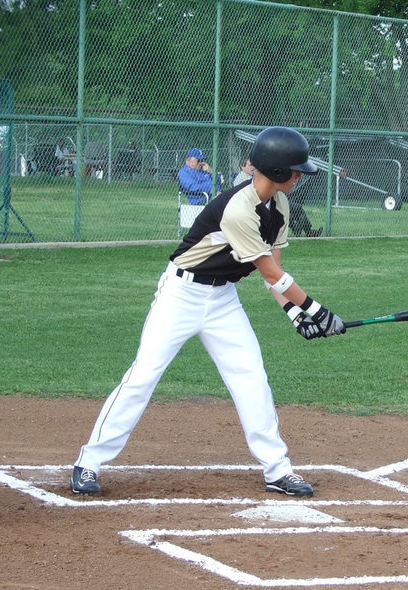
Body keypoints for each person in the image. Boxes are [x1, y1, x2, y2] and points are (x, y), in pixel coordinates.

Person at [71, 126, 344, 499]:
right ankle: (89, 462)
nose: (300, 176)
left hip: (222, 300)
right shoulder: (237, 209)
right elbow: (270, 272)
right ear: (277, 171)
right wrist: (317, 310)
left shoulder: (279, 206)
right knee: (143, 375)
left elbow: (275, 271)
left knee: (251, 376)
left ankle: (277, 469)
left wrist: (295, 315)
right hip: (180, 295)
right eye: (296, 170)